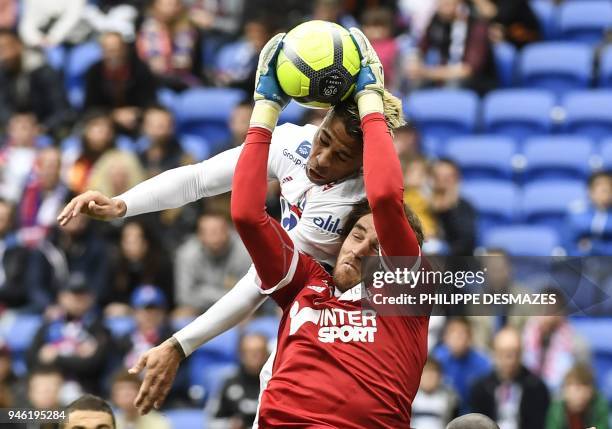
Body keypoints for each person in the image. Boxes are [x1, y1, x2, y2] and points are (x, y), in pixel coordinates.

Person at [58, 33, 405, 416]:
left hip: (352, 326)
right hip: (303, 316)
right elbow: (199, 179)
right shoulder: (294, 142)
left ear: (360, 165)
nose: (321, 159)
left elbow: (260, 275)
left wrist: (181, 343)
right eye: (324, 139)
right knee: (274, 390)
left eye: (339, 156)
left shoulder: (354, 202)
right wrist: (124, 203)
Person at [228, 30, 428, 427]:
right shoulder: (304, 283)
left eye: (378, 247)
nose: (360, 249)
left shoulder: (403, 297)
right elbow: (247, 217)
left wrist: (371, 96)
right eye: (357, 235)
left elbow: (387, 198)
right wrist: (266, 109)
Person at [26, 273, 111, 394]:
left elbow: (93, 365)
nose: (78, 299)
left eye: (82, 295)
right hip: (51, 386)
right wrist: (76, 356)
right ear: (62, 297)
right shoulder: (49, 324)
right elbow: (32, 359)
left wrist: (56, 356)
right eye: (73, 294)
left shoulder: (98, 327)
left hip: (85, 388)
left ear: (91, 297)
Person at [407, 0, 497, 94]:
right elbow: (421, 47)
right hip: (444, 73)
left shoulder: (476, 25)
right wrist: (414, 63)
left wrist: (427, 73)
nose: (445, 3)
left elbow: (468, 70)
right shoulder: (436, 21)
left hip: (475, 83)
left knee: (454, 82)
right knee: (409, 66)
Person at [470, 327, 550, 429]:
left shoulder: (536, 387)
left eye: (515, 352)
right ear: (495, 353)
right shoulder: (481, 388)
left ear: (521, 353)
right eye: (504, 353)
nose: (510, 360)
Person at [84, 32, 158, 136]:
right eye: (108, 50)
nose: (113, 55)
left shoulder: (140, 69)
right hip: (107, 125)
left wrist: (136, 113)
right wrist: (114, 115)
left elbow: (150, 101)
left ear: (124, 49)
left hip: (137, 123)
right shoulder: (94, 72)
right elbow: (90, 108)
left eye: (116, 50)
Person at [175, 212, 252, 313]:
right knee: (182, 314)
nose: (214, 236)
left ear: (229, 231)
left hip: (237, 309)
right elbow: (183, 297)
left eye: (218, 230)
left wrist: (202, 291)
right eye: (208, 232)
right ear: (199, 235)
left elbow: (249, 293)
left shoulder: (245, 251)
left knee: (249, 312)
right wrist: (226, 295)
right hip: (198, 309)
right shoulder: (186, 254)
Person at [0, 30, 71, 135]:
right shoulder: (3, 72)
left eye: (5, 48)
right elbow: (2, 105)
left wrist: (42, 128)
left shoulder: (44, 72)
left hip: (45, 131)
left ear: (19, 45)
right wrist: (14, 123)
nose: (3, 55)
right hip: (13, 132)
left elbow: (61, 110)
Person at [522, 289, 590, 392]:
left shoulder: (577, 343)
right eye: (543, 310)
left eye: (551, 310)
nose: (547, 316)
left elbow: (583, 380)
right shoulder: (524, 337)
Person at [136, 0, 202, 90]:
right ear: (155, 6)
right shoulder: (149, 29)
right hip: (155, 84)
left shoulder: (186, 29)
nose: (172, 8)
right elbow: (157, 67)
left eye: (176, 4)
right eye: (168, 4)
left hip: (184, 82)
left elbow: (183, 63)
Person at [209, 333, 270, 428]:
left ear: (267, 354)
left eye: (259, 351)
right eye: (249, 351)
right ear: (241, 354)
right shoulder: (228, 382)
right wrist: (230, 424)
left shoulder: (275, 382)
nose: (255, 356)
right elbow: (211, 421)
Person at [433, 317, 492, 412]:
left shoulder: (483, 364)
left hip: (472, 416)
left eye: (461, 335)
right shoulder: (437, 359)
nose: (456, 340)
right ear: (445, 337)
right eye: (452, 334)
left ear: (470, 338)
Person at [116, 285, 174, 370]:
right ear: (134, 312)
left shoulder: (172, 340)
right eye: (144, 309)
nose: (149, 314)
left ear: (163, 312)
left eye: (154, 309)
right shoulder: (123, 341)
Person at [430, 158, 477, 256]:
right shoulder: (423, 206)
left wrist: (448, 210)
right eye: (437, 177)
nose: (442, 182)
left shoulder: (464, 208)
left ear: (457, 179)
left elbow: (465, 244)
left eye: (447, 178)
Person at [545, 364, 609, 429]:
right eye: (577, 388)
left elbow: (603, 426)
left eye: (585, 388)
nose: (580, 394)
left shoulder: (599, 404)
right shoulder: (557, 407)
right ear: (565, 390)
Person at [566, 171, 612, 256]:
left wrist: (594, 247)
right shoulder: (577, 214)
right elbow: (567, 245)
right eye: (602, 189)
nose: (606, 193)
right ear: (590, 191)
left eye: (609, 189)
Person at [136, 105, 190, 178]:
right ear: (143, 127)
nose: (155, 131)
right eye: (151, 125)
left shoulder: (184, 159)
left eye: (161, 126)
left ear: (171, 127)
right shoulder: (136, 158)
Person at [0, 111, 40, 202]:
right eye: (15, 128)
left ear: (34, 130)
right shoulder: (3, 156)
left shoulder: (41, 156)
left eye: (24, 128)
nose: (20, 132)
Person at [411, 358, 459, 429]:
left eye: (433, 374)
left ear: (440, 377)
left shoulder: (449, 399)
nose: (429, 378)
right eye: (426, 373)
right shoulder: (410, 397)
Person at [18, 0, 87, 48]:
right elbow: (28, 20)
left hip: (78, 32)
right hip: (44, 38)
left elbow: (72, 15)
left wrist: (54, 36)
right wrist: (36, 39)